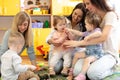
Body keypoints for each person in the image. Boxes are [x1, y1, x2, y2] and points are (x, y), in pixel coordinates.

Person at [63, 0, 120, 80]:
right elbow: (87, 39)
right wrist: (74, 42)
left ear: (97, 2)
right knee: (77, 72)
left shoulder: (110, 15)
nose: (86, 7)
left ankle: (112, 69)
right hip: (92, 52)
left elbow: (103, 37)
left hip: (108, 54)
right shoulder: (95, 17)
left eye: (88, 3)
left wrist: (78, 43)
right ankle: (91, 70)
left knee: (92, 75)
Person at [46, 3, 87, 74]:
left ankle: (65, 67)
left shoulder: (82, 28)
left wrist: (71, 40)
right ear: (72, 11)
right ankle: (59, 64)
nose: (76, 17)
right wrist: (52, 41)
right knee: (56, 69)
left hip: (68, 52)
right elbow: (49, 37)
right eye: (75, 13)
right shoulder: (62, 21)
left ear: (83, 18)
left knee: (68, 64)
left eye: (79, 16)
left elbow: (76, 42)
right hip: (57, 51)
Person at [67, 12, 104, 80]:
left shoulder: (96, 30)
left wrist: (89, 36)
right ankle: (71, 71)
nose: (85, 25)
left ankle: (82, 75)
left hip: (96, 54)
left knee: (87, 60)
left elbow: (99, 34)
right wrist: (70, 30)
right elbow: (80, 33)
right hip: (88, 52)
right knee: (76, 55)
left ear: (92, 25)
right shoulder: (87, 32)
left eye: (86, 24)